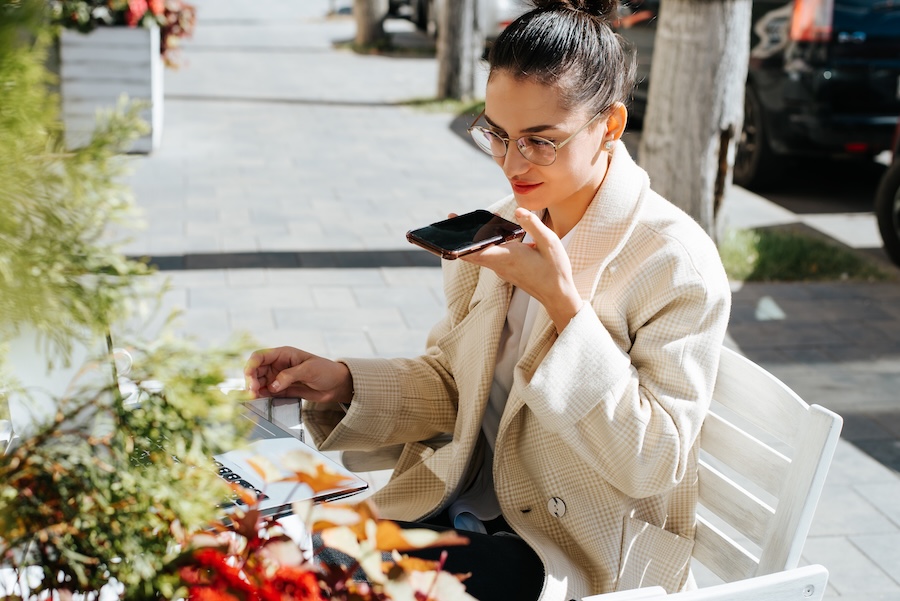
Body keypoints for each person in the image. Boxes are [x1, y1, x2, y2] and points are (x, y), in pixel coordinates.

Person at [244, 0, 732, 599]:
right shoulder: (506, 224)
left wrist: (562, 306)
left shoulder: (673, 262)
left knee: (320, 574)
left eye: (540, 141)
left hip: (572, 548)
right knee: (267, 548)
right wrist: (342, 382)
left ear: (610, 125)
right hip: (464, 509)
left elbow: (651, 463)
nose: (510, 162)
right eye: (497, 134)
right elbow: (456, 387)